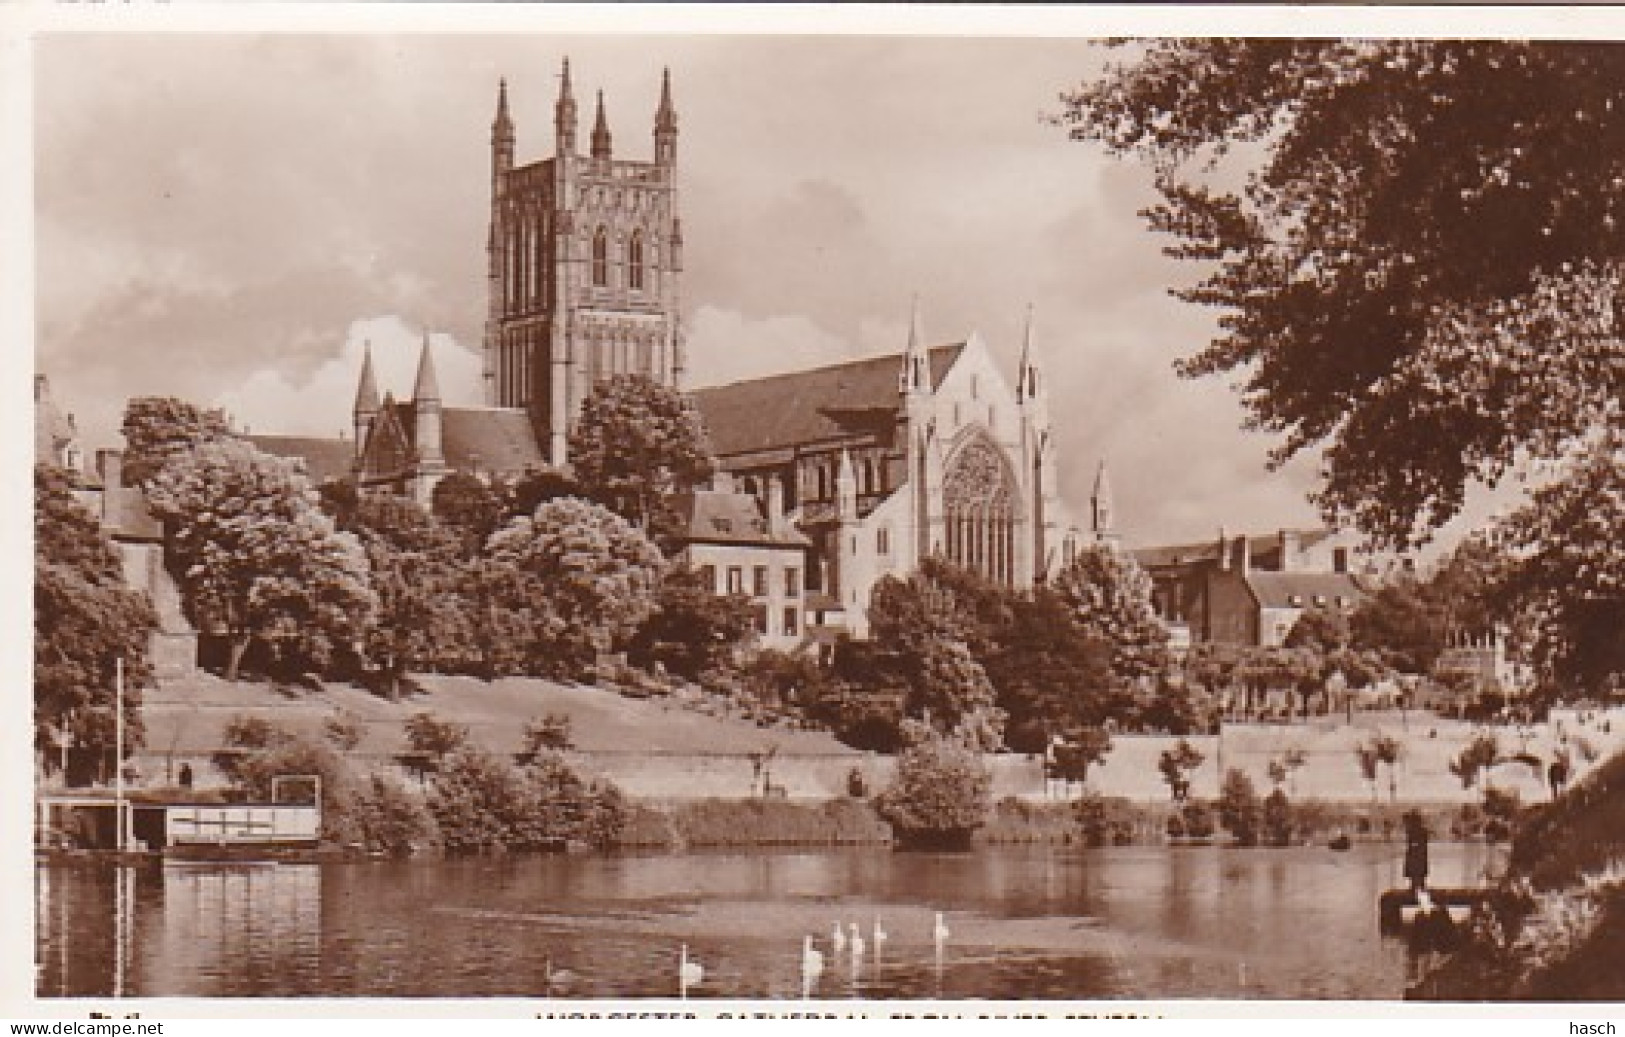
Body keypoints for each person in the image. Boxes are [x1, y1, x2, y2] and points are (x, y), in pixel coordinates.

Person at [1402, 810, 1429, 893]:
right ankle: (1418, 892)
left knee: (1416, 879)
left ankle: (1415, 891)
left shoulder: (1413, 831)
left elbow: (1414, 844)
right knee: (1419, 880)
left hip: (1416, 858)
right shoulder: (1422, 831)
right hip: (1419, 858)